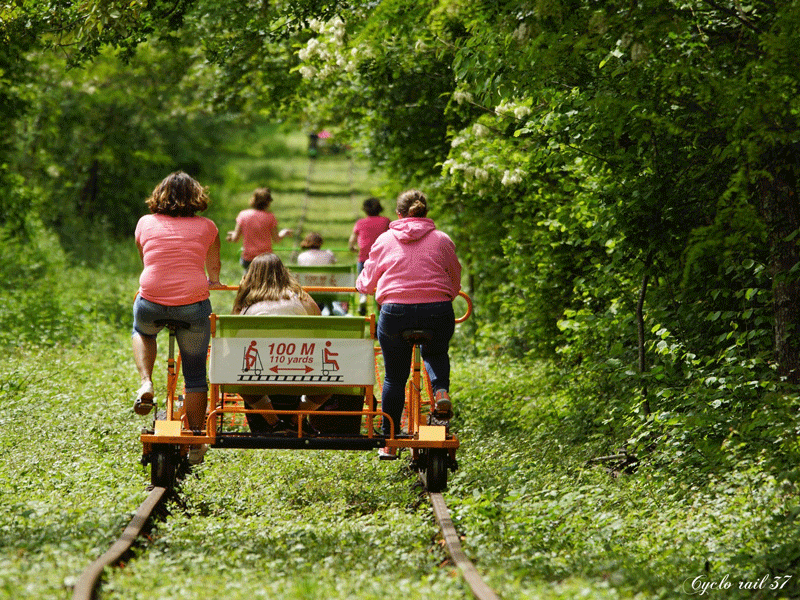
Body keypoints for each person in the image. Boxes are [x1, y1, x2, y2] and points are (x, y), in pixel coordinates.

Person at [356, 190, 461, 460]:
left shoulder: (384, 240)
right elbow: (454, 274)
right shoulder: (442, 239)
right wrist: (446, 293)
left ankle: (388, 440)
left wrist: (363, 285)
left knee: (394, 376)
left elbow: (366, 284)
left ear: (399, 214)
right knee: (436, 352)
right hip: (437, 311)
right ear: (425, 212)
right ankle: (440, 393)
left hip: (395, 313)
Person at [132, 171, 222, 465]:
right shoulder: (208, 227)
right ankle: (196, 440)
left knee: (143, 331)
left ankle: (146, 382)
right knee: (195, 375)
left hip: (152, 299)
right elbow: (214, 267)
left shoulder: (145, 223)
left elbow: (146, 256)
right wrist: (214, 280)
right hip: (192, 304)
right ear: (197, 196)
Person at [231, 252, 330, 434]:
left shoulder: (246, 303)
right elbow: (321, 331)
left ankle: (273, 422)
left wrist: (240, 294)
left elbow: (232, 339)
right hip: (301, 370)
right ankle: (295, 419)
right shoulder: (302, 298)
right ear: (284, 273)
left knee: (233, 375)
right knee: (335, 380)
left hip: (257, 374)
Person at [226, 187, 293, 270]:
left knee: (248, 277)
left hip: (248, 259)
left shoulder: (243, 215)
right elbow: (276, 239)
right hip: (265, 259)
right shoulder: (270, 217)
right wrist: (283, 233)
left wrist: (232, 236)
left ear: (253, 200)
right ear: (268, 203)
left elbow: (235, 239)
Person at [349, 197, 390, 315]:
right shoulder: (386, 221)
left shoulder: (360, 223)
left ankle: (362, 297)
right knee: (381, 284)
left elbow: (351, 241)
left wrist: (353, 248)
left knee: (363, 280)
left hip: (364, 257)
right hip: (382, 259)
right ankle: (381, 306)